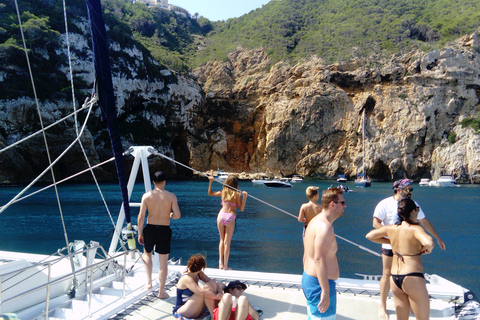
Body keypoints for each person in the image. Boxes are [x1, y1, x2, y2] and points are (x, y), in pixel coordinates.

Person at [372, 178, 445, 320]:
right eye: (408, 189)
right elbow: (375, 223)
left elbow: (425, 221)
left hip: (406, 248)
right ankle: (382, 305)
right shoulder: (385, 204)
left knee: (400, 277)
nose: (410, 191)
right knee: (386, 274)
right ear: (398, 189)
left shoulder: (413, 205)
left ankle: (410, 302)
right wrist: (392, 237)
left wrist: (438, 237)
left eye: (411, 189)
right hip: (390, 245)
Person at [366, 198, 434, 320]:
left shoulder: (391, 228)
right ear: (413, 212)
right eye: (417, 210)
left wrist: (390, 241)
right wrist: (426, 248)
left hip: (395, 277)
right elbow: (429, 242)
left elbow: (370, 236)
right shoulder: (415, 229)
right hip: (412, 276)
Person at [302, 187, 346, 320]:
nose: (345, 206)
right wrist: (325, 291)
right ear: (333, 204)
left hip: (312, 280)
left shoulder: (315, 221)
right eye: (342, 203)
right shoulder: (325, 227)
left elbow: (306, 254)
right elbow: (319, 259)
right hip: (319, 285)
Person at [137, 171, 181, 299]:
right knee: (163, 262)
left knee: (147, 254)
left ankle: (149, 282)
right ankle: (161, 292)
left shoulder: (146, 196)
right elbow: (177, 215)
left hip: (150, 228)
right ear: (164, 182)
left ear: (153, 182)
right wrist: (170, 215)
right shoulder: (171, 196)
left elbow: (140, 217)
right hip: (164, 229)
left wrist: (140, 233)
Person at [208, 175, 248, 270]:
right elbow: (241, 208)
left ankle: (220, 263)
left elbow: (210, 193)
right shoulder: (237, 194)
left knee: (222, 240)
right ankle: (225, 266)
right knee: (227, 242)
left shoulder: (223, 192)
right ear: (235, 184)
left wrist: (211, 182)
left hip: (221, 215)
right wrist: (245, 197)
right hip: (230, 216)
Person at [173, 254, 224, 319]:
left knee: (212, 284)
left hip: (194, 306)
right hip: (183, 309)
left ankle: (215, 313)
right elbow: (201, 292)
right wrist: (217, 297)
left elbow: (214, 283)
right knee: (206, 288)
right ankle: (214, 316)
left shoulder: (199, 274)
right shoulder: (186, 278)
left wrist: (220, 292)